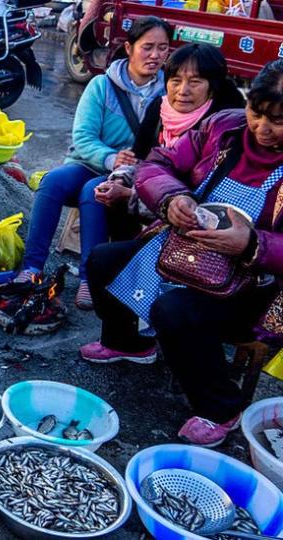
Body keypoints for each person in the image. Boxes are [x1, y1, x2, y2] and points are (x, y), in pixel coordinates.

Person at [82, 60, 283, 447]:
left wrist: (252, 244)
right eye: (256, 113)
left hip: (255, 285)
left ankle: (221, 407)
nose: (262, 128)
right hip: (185, 248)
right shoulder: (223, 127)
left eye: (278, 120)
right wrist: (171, 197)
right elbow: (158, 163)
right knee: (103, 261)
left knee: (174, 311)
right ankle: (130, 345)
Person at [15, 17, 170, 308]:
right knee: (52, 182)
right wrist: (111, 157)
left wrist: (131, 166)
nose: (155, 55)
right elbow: (83, 138)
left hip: (133, 173)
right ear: (129, 47)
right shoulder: (101, 85)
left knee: (93, 191)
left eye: (162, 48)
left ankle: (88, 279)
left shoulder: (168, 94)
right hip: (92, 161)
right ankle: (32, 267)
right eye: (147, 47)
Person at [78, 43, 246, 304]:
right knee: (100, 191)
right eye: (176, 80)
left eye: (195, 82)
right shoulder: (160, 108)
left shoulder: (223, 127)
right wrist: (120, 178)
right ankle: (113, 278)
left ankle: (148, 281)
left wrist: (132, 195)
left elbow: (201, 195)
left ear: (213, 86)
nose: (183, 91)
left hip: (191, 217)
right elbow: (140, 159)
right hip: (154, 200)